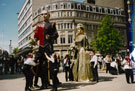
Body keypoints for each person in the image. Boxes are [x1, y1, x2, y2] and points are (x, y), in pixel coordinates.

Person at [31, 10, 59, 89]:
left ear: (49, 15)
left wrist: (50, 37)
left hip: (49, 46)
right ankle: (44, 84)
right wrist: (34, 41)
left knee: (52, 67)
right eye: (42, 14)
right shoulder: (39, 25)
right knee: (41, 67)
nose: (44, 15)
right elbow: (36, 36)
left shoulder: (52, 24)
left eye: (45, 14)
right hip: (41, 48)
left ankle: (54, 86)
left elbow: (56, 34)